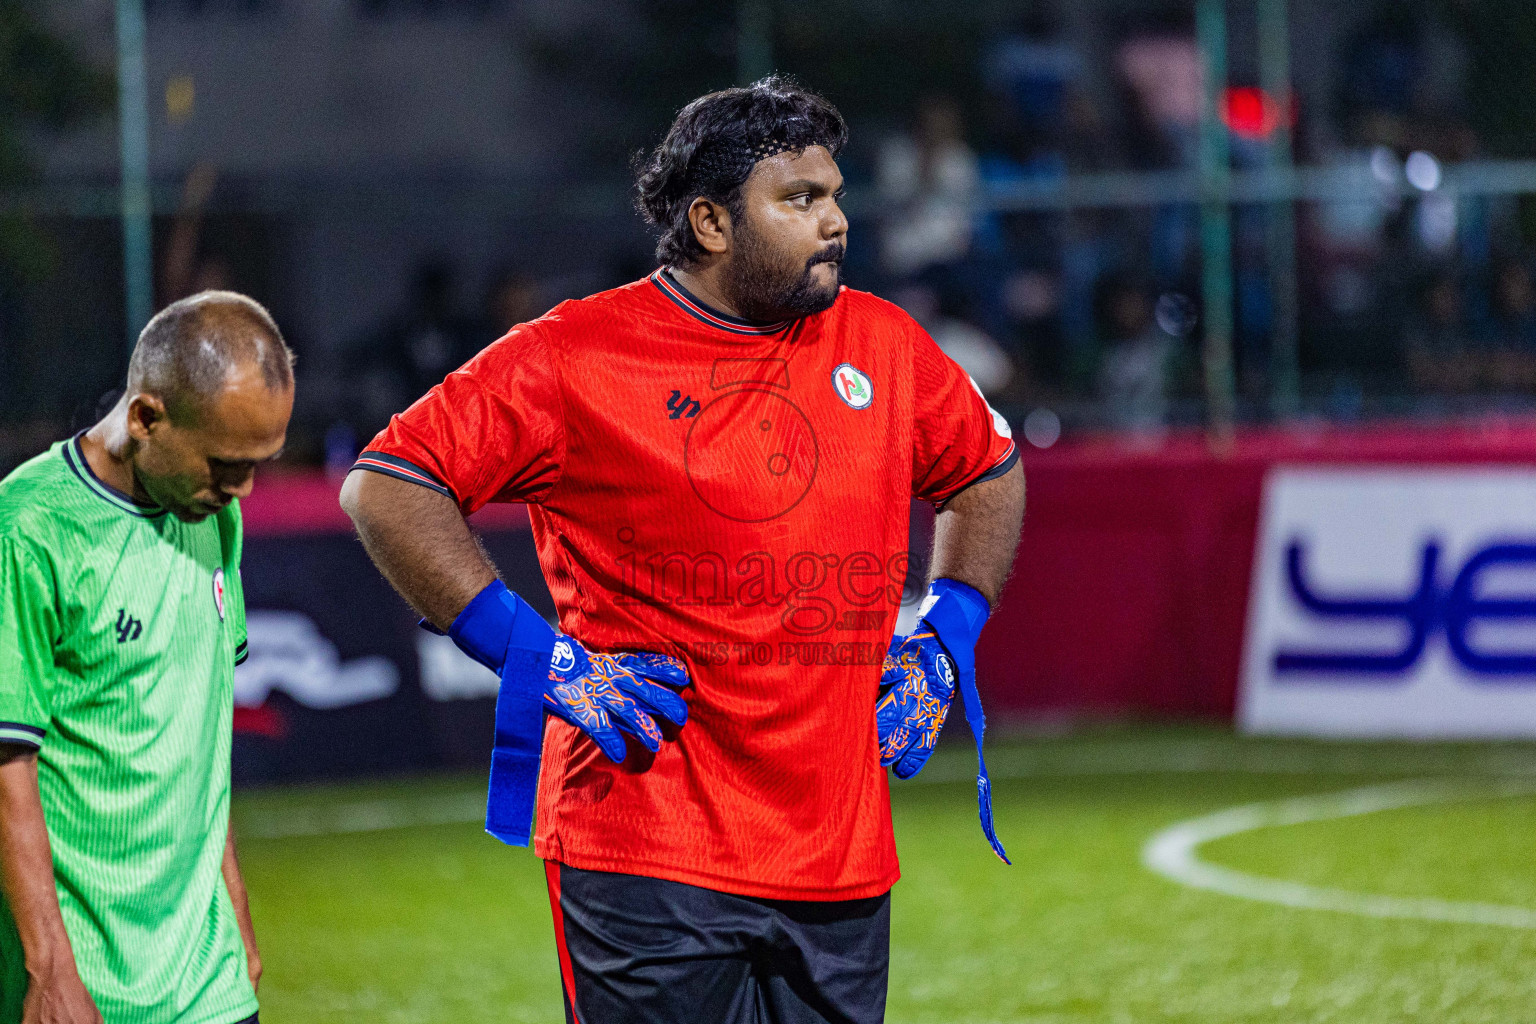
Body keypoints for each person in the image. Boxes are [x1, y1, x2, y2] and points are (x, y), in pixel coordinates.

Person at [341, 75, 1025, 1024]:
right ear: (709, 222)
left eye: (833, 195)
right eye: (799, 200)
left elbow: (986, 470)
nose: (834, 221)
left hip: (838, 848)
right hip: (646, 844)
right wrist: (535, 657)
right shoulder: (575, 353)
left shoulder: (882, 340)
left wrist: (948, 633)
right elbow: (387, 484)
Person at [0, 292, 294, 1024]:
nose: (241, 491)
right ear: (145, 417)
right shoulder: (28, 531)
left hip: (209, 981)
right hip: (88, 992)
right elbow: (6, 767)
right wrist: (49, 968)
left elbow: (200, 725)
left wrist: (235, 900)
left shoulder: (213, 515)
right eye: (226, 465)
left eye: (258, 465)